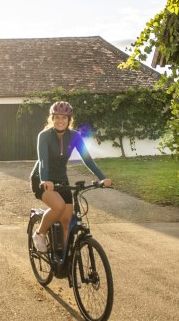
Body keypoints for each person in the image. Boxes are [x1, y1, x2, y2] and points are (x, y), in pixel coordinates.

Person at [30, 101, 112, 252]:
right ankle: (39, 233)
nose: (60, 121)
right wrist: (44, 180)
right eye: (57, 117)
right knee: (59, 207)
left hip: (61, 179)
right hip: (42, 178)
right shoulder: (44, 136)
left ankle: (63, 256)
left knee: (67, 220)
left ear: (69, 120)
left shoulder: (74, 136)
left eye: (64, 118)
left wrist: (102, 177)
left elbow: (87, 159)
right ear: (52, 119)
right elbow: (43, 161)